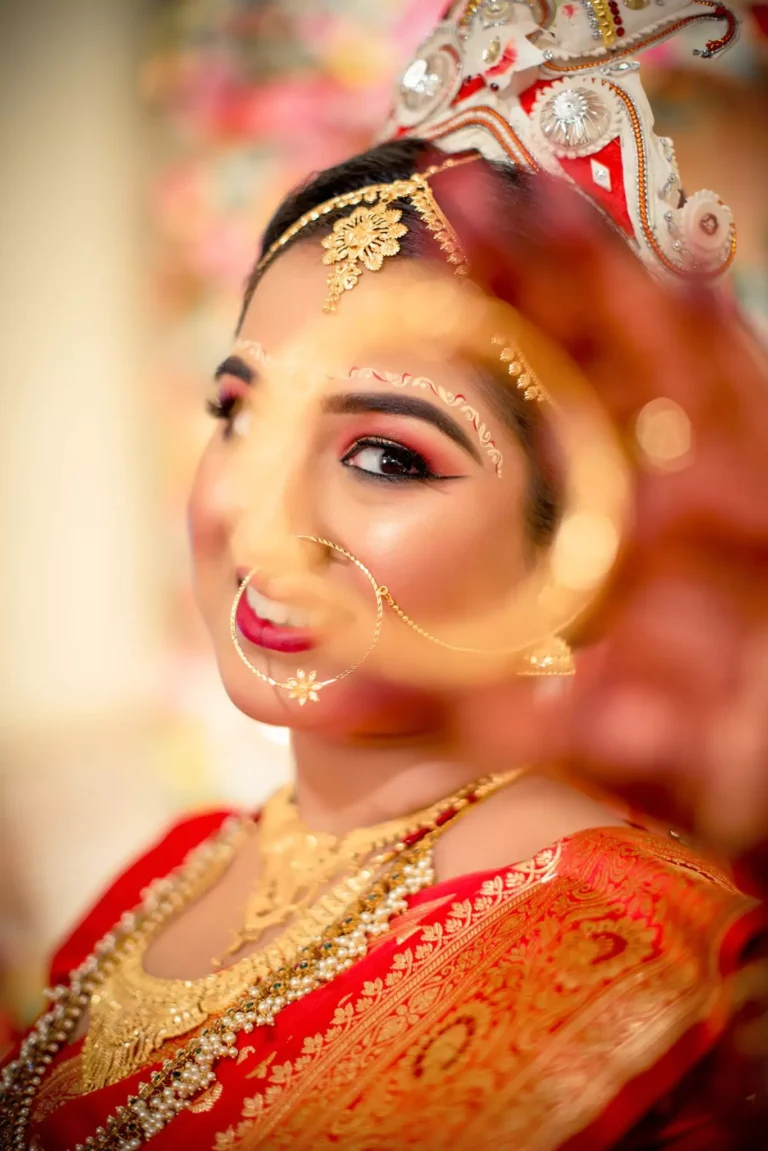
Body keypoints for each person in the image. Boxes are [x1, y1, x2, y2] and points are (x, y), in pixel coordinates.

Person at [2, 2, 768, 1149]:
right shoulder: (161, 877)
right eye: (240, 415)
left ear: (586, 535)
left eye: (385, 454)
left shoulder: (655, 950)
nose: (259, 513)